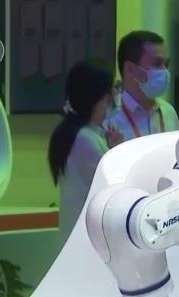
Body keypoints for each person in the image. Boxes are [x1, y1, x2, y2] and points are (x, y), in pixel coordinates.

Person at [48, 60, 124, 242]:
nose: (117, 95)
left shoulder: (85, 134)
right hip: (87, 239)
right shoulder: (85, 140)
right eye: (114, 89)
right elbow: (116, 185)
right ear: (101, 97)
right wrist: (117, 152)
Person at [107, 30, 179, 139]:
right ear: (130, 69)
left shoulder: (169, 112)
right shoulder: (110, 118)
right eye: (157, 64)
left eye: (166, 64)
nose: (165, 71)